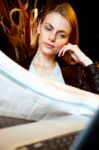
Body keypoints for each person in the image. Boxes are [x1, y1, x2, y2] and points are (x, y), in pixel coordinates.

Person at [0, 2, 99, 94]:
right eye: (48, 29)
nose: (52, 38)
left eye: (61, 35)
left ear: (68, 41)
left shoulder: (77, 76)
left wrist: (86, 61)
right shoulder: (16, 69)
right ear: (38, 27)